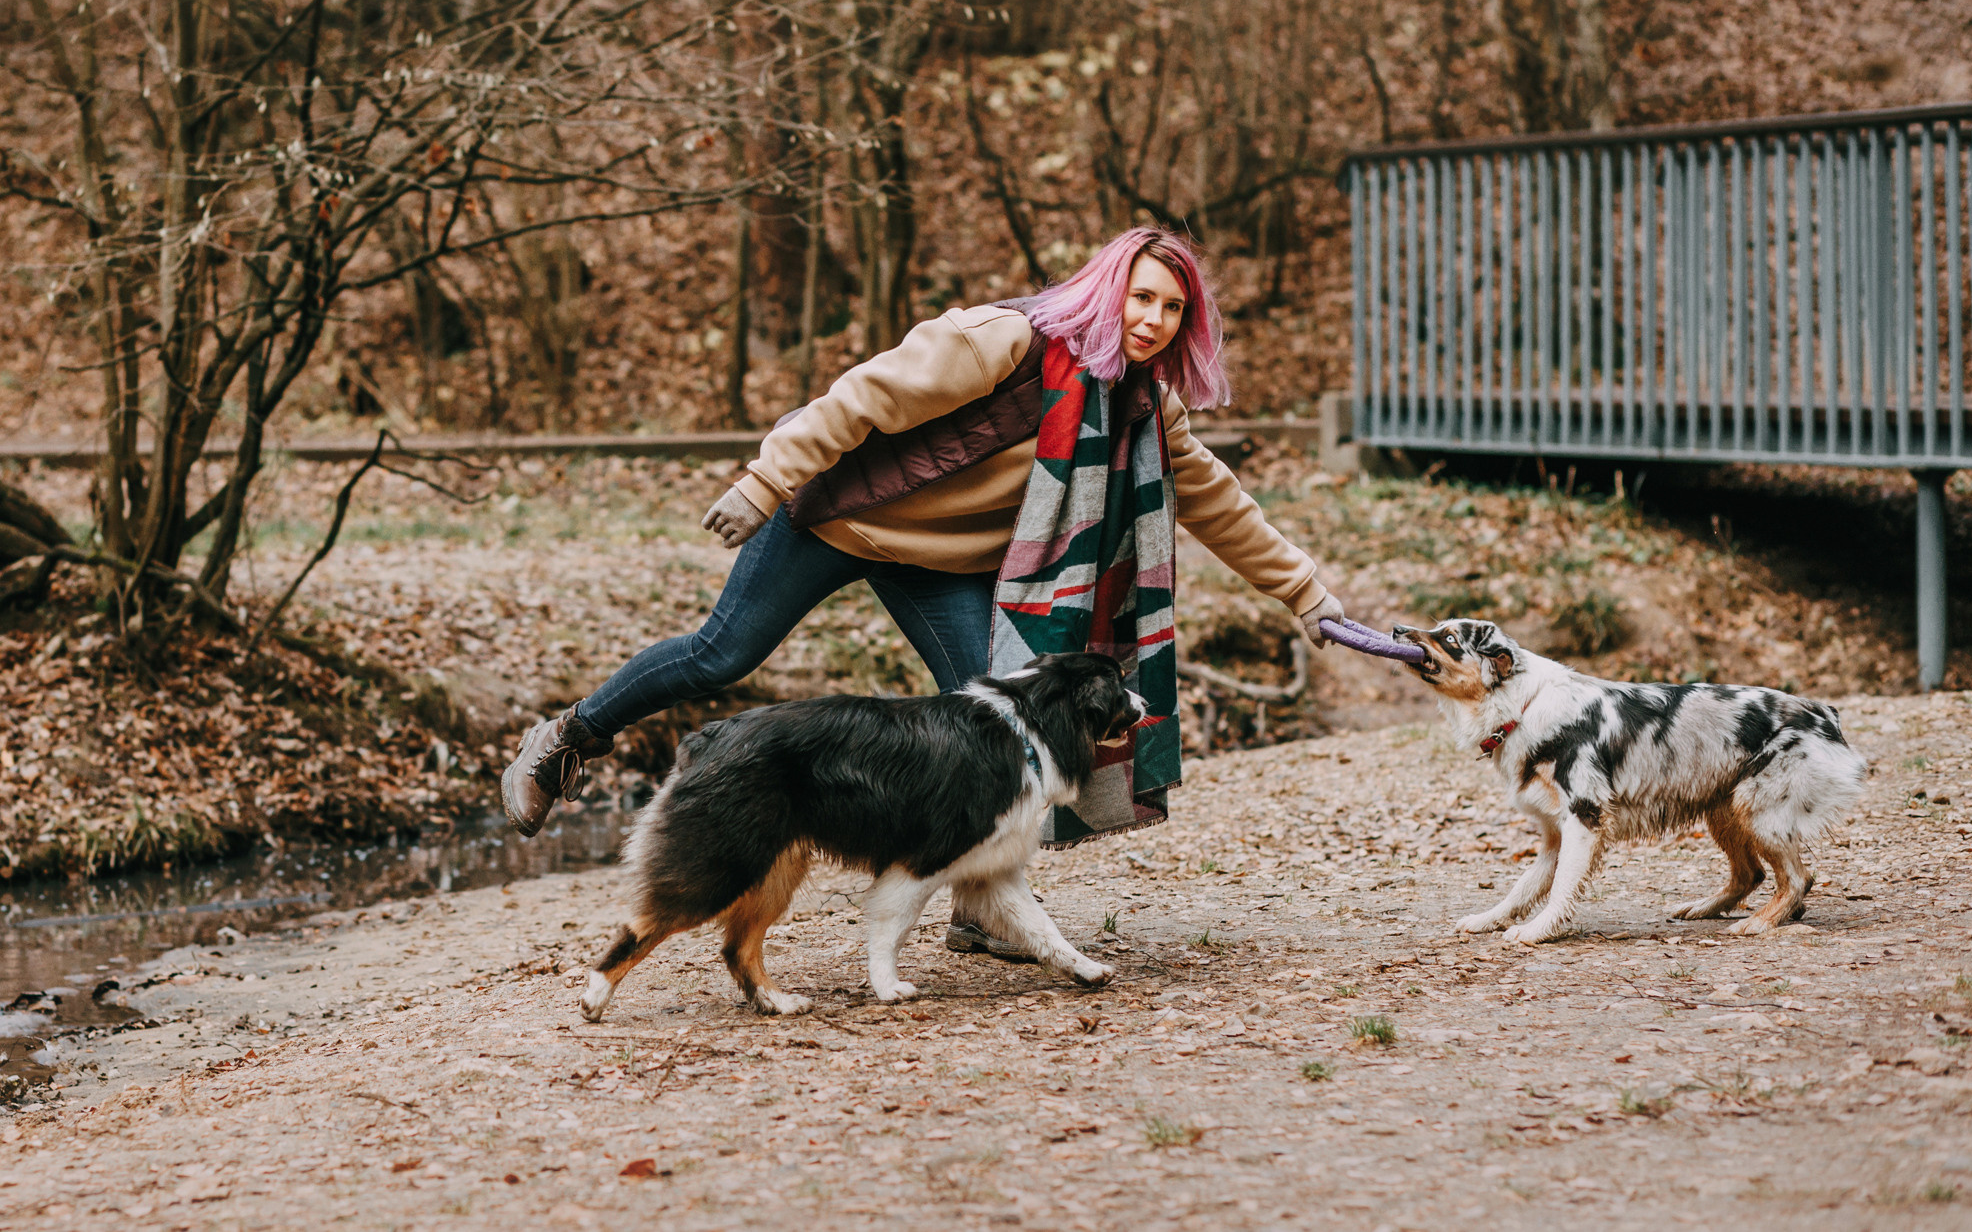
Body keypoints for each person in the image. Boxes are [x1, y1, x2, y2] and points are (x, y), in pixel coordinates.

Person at [500, 227, 1345, 958]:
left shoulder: (1143, 411)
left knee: (993, 720)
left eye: (1172, 310)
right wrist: (767, 480)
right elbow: (864, 395)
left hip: (940, 563)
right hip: (843, 514)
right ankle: (567, 739)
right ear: (1107, 288)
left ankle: (981, 908)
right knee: (724, 652)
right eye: (1142, 297)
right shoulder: (1003, 341)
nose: (1152, 321)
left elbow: (1218, 501)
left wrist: (1303, 589)